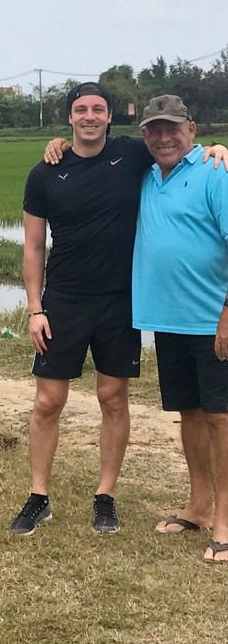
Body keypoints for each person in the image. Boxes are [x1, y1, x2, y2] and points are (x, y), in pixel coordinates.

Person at [11, 82, 149, 535]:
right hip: (64, 301)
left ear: (110, 116)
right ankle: (38, 496)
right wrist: (35, 309)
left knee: (113, 398)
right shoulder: (45, 172)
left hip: (120, 302)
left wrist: (217, 150)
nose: (90, 116)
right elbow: (34, 246)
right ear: (69, 118)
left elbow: (179, 149)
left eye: (98, 109)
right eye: (81, 109)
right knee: (48, 401)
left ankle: (105, 496)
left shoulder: (132, 155)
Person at [130, 95, 228, 561]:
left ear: (191, 129)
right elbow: (91, 150)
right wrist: (57, 144)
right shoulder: (145, 176)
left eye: (173, 128)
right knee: (189, 412)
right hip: (168, 320)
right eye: (155, 129)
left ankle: (225, 516)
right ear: (145, 135)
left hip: (214, 320)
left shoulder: (215, 170)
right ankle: (199, 505)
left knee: (221, 417)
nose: (164, 137)